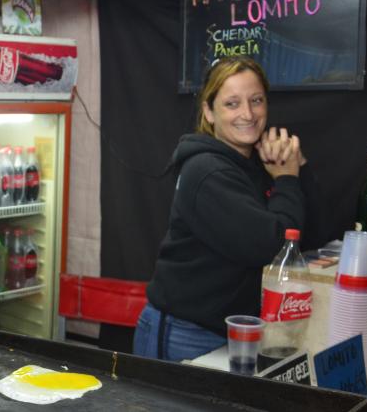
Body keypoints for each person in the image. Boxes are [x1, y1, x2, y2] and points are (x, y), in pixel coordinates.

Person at [132, 55, 325, 362]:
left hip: (237, 333)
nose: (247, 114)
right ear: (209, 112)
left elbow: (311, 236)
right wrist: (287, 179)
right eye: (232, 103)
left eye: (256, 100)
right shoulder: (206, 172)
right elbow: (274, 246)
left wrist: (296, 166)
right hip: (187, 335)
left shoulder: (257, 163)